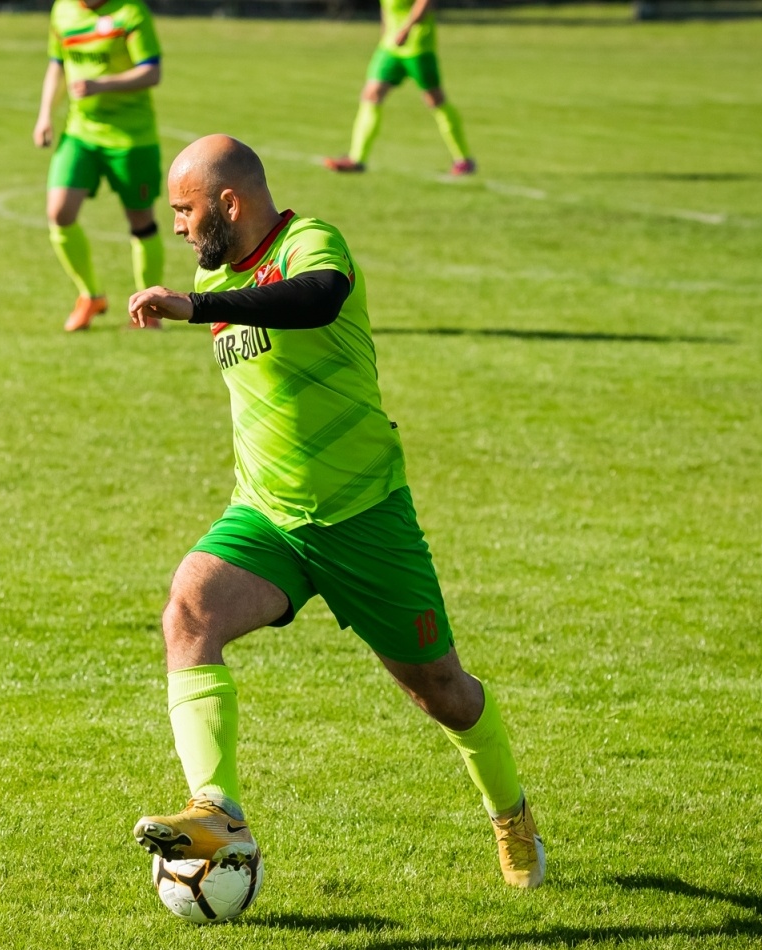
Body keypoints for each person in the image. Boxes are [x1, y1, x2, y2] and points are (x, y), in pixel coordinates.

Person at [126, 135, 541, 889]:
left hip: (364, 516)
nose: (178, 226)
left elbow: (316, 298)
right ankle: (216, 811)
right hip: (268, 516)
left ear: (230, 203)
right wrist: (205, 297)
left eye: (185, 209)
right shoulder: (217, 271)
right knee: (188, 611)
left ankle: (510, 814)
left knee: (441, 691)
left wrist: (198, 306)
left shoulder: (311, 242)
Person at [34, 0, 167, 331]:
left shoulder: (130, 12)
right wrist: (45, 114)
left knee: (141, 221)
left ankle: (150, 311)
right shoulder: (63, 10)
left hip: (131, 136)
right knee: (59, 213)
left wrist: (101, 84)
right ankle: (90, 295)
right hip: (80, 133)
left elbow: (152, 71)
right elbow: (57, 64)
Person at [321, 0, 476, 177]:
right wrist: (385, 33)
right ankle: (357, 159)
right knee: (371, 94)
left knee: (435, 99)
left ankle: (463, 159)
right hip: (390, 47)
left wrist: (406, 29)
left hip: (418, 46)